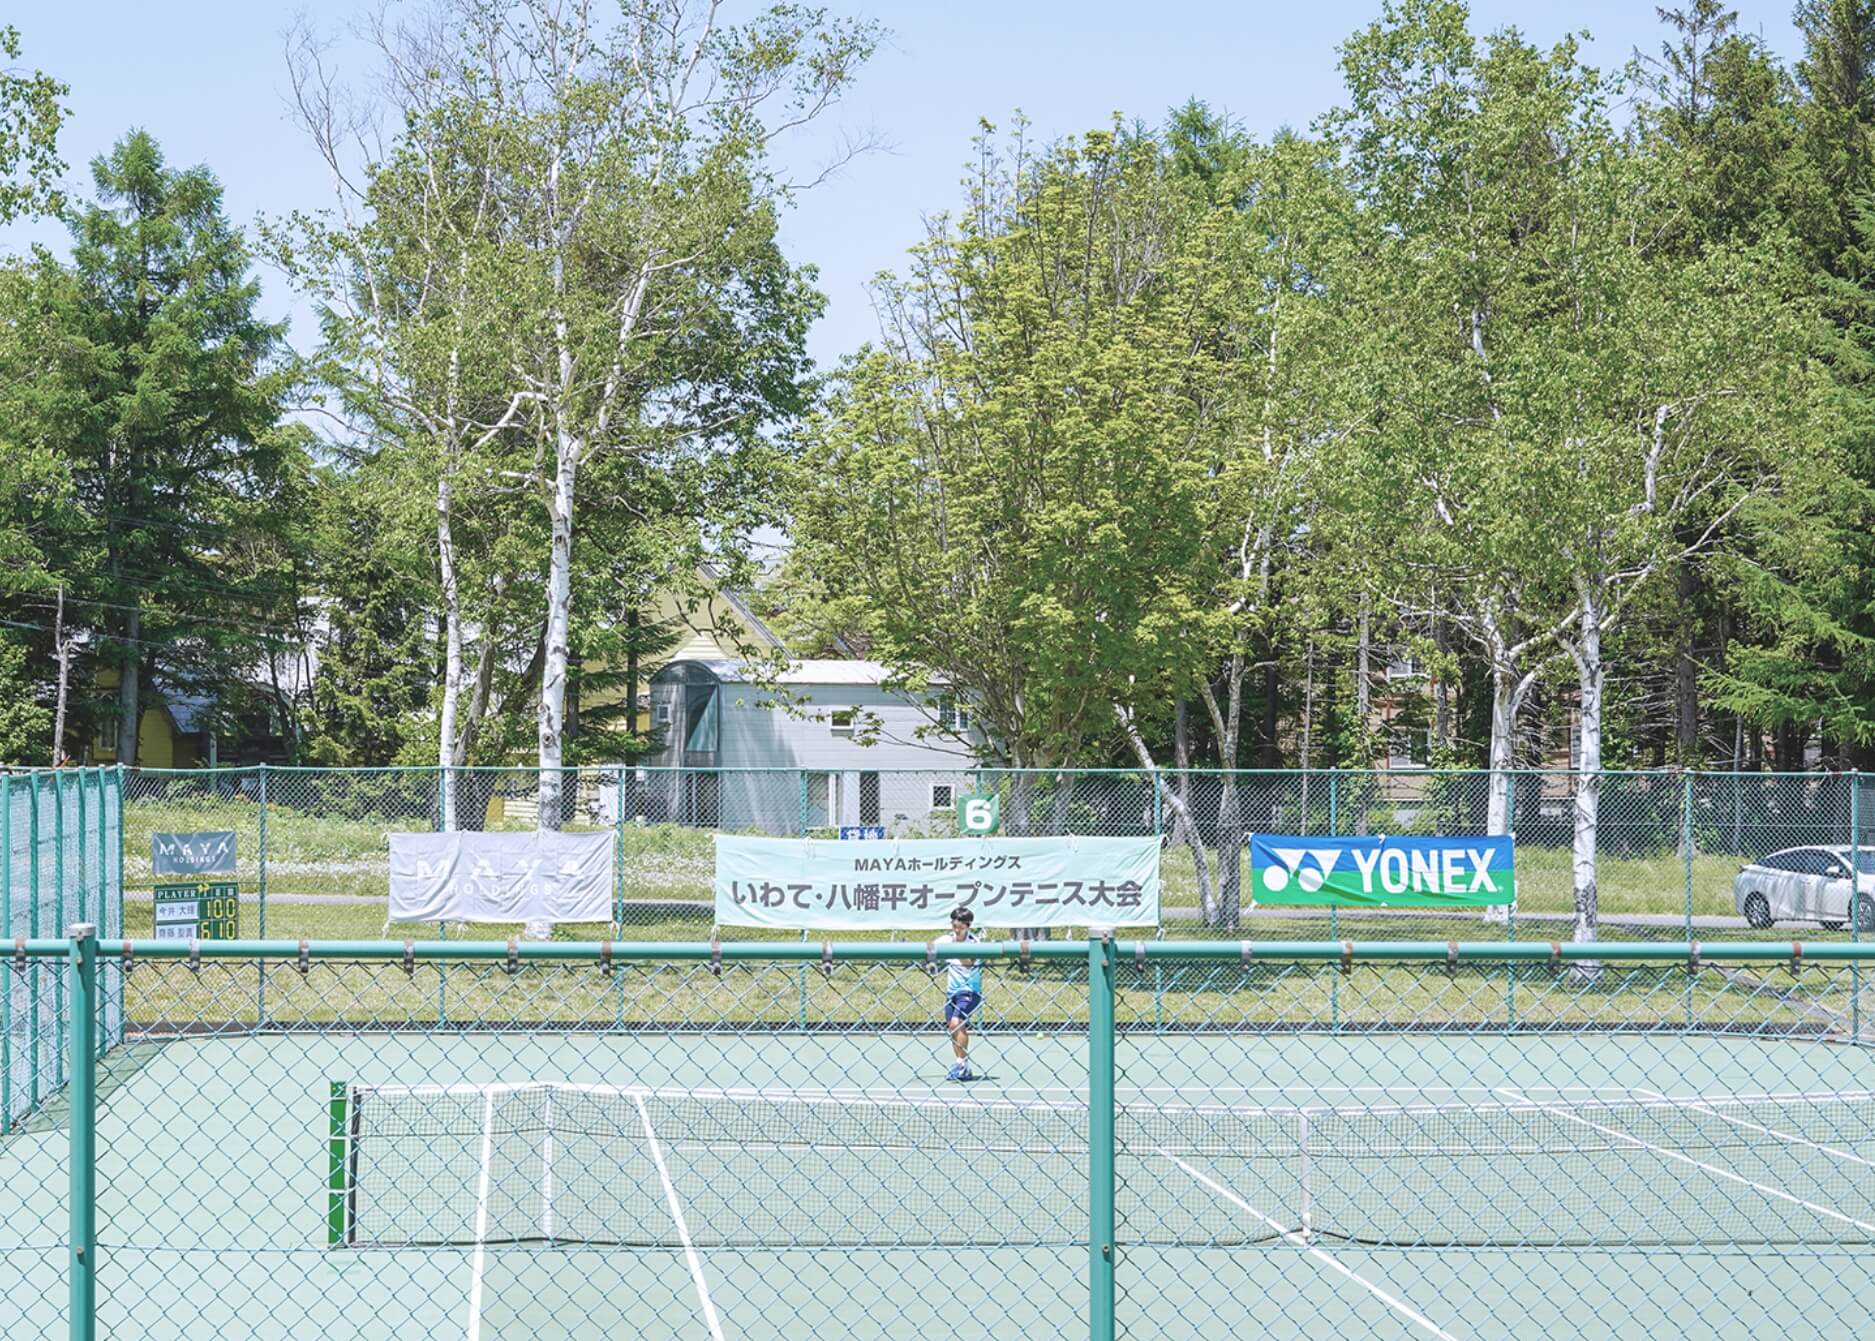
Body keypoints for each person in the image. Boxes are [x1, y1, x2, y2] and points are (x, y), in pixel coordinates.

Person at [937, 908, 982, 1081]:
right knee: (953, 1027)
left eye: (960, 926)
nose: (956, 929)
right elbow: (930, 949)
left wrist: (955, 949)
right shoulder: (946, 940)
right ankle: (963, 1065)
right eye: (953, 924)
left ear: (967, 926)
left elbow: (969, 963)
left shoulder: (974, 943)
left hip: (969, 991)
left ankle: (961, 1064)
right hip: (952, 992)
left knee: (957, 1022)